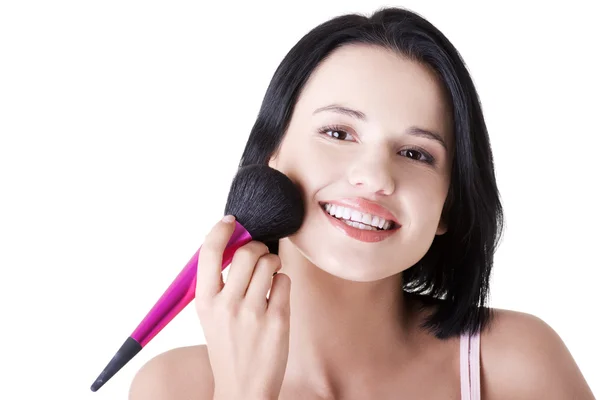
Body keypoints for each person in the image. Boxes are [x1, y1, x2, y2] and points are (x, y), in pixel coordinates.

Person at [129, 6, 595, 399]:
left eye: (416, 154)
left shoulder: (517, 366)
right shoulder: (174, 386)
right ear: (272, 155)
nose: (374, 177)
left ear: (448, 207)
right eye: (338, 133)